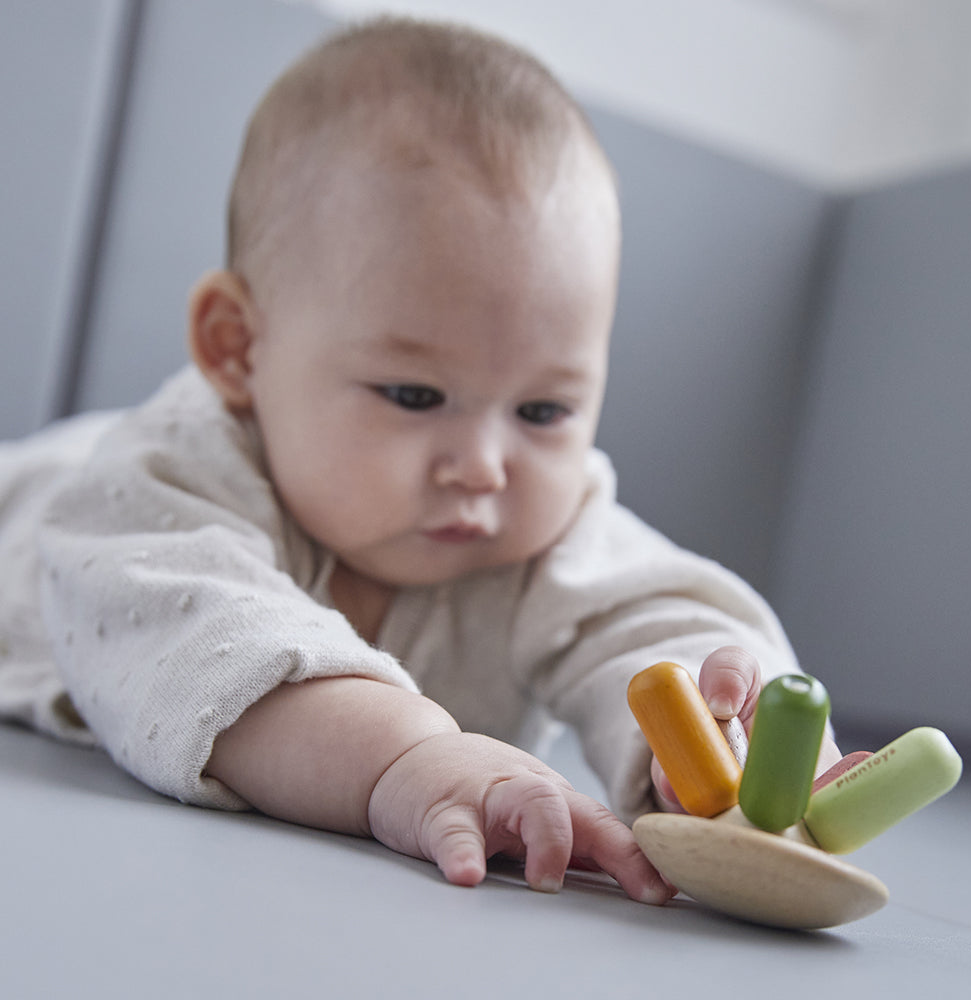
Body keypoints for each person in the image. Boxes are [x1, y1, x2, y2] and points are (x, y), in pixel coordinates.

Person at [0, 17, 839, 903]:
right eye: (414, 395)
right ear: (239, 348)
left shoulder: (543, 525)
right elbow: (201, 632)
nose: (484, 466)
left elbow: (648, 609)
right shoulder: (163, 483)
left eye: (544, 410)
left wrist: (721, 731)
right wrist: (410, 759)